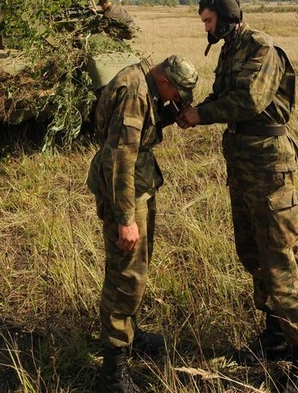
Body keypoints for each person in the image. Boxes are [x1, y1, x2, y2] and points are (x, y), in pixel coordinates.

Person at [179, 0, 298, 393]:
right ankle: (275, 338)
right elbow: (223, 96)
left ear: (223, 16)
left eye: (208, 20)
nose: (205, 28)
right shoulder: (231, 48)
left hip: (267, 163)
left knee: (278, 257)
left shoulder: (261, 48)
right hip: (242, 163)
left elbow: (248, 101)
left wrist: (201, 114)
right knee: (254, 254)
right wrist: (190, 109)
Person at [87, 55, 199, 393]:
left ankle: (129, 335)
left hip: (139, 185)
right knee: (125, 275)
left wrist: (167, 115)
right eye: (176, 94)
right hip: (127, 191)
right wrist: (124, 220)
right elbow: (120, 156)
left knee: (136, 269)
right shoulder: (135, 93)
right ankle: (113, 373)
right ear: (165, 80)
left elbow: (141, 132)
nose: (175, 100)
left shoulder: (146, 84)